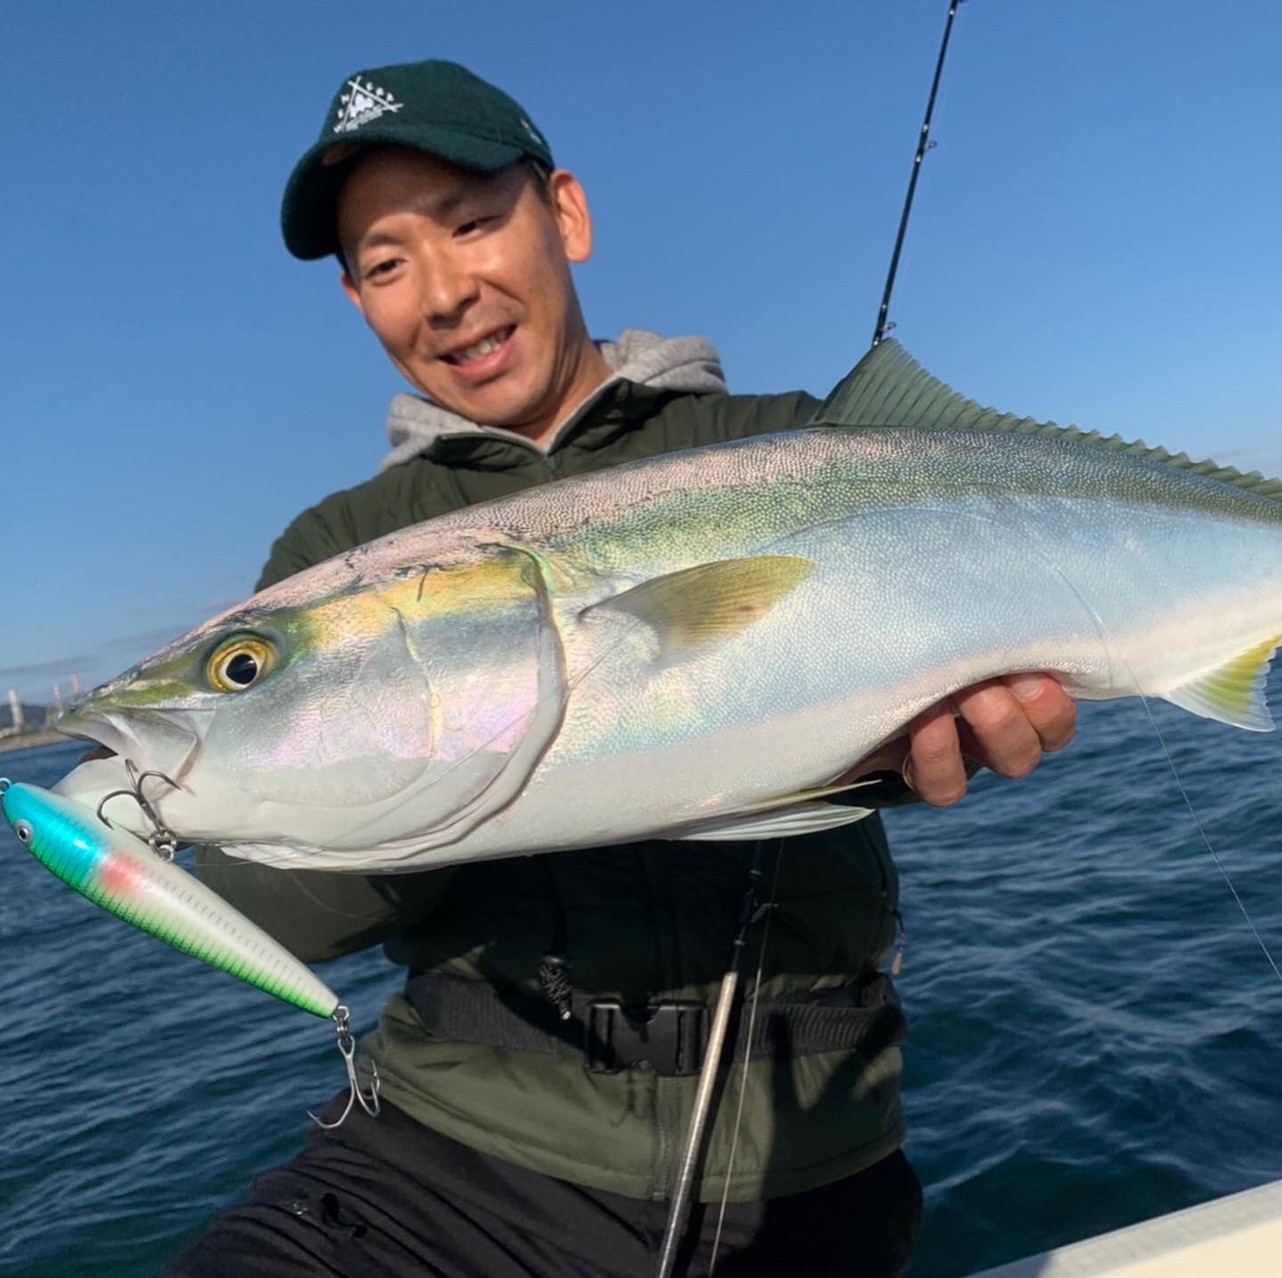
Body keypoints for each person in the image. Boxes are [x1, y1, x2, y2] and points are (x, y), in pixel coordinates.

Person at [163, 59, 1075, 1278]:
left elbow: (853, 714)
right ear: (355, 300)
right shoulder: (339, 556)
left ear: (567, 214)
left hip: (802, 1147)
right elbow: (276, 911)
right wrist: (387, 760)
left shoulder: (788, 445)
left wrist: (916, 757)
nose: (443, 293)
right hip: (456, 1151)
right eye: (385, 264)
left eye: (470, 223)